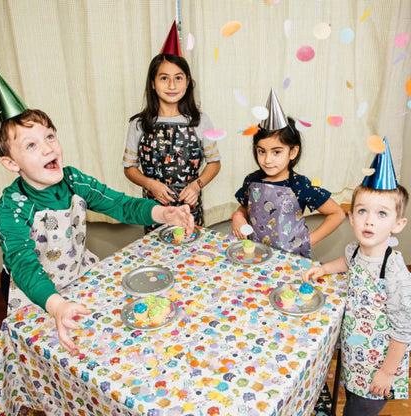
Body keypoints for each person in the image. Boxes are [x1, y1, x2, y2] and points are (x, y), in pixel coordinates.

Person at [0, 70, 194, 355]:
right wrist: (55, 304)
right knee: (46, 352)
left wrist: (165, 214)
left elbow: (122, 205)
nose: (47, 148)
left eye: (49, 136)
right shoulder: (11, 207)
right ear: (11, 163)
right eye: (31, 145)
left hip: (77, 275)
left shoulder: (75, 181)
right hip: (35, 292)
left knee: (87, 347)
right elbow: (23, 265)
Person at [303, 137, 411, 416]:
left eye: (382, 214)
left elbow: (403, 331)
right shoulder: (355, 251)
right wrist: (325, 268)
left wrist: (387, 373)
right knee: (350, 402)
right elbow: (347, 262)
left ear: (398, 224)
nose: (370, 221)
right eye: (362, 211)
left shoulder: (396, 272)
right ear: (352, 218)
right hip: (355, 358)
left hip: (379, 368)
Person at [122, 21, 221, 232]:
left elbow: (214, 163)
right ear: (152, 83)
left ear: (187, 82)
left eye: (178, 78)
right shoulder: (139, 124)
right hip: (153, 209)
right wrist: (150, 184)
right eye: (164, 78)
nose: (172, 85)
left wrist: (197, 185)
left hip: (190, 209)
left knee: (191, 258)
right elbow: (129, 168)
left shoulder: (200, 121)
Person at [232, 88, 345, 258]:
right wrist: (238, 216)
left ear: (292, 152)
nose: (267, 160)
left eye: (276, 152)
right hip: (256, 256)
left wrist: (307, 241)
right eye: (261, 151)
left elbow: (337, 214)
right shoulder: (252, 180)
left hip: (291, 261)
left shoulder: (300, 185)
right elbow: (245, 206)